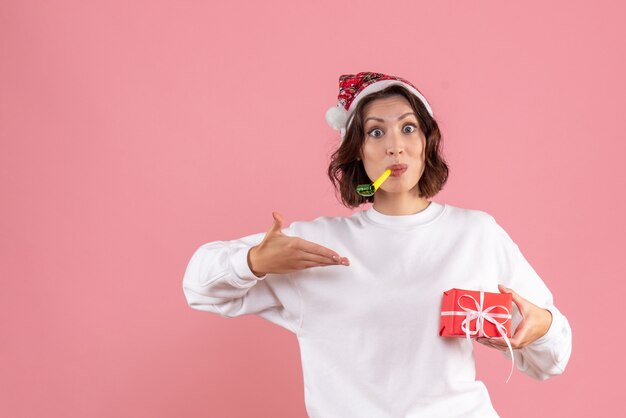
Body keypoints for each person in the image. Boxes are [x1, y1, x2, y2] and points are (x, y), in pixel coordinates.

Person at [182, 71, 572, 418]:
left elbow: (551, 361)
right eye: (376, 131)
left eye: (407, 128)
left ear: (426, 141)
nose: (395, 146)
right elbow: (198, 286)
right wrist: (253, 262)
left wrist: (546, 327)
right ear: (358, 151)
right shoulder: (316, 247)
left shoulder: (476, 234)